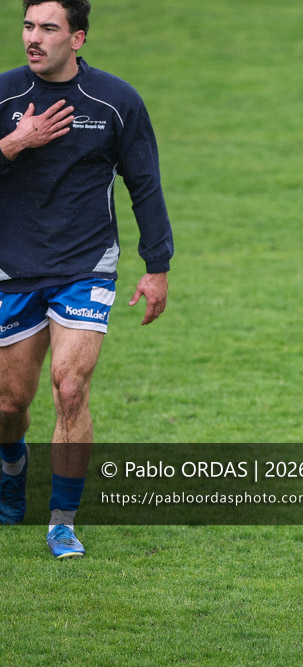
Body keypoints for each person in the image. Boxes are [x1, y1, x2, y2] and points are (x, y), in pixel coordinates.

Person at [0, 0, 173, 558]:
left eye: (49, 28)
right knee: (8, 405)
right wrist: (16, 142)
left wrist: (157, 267)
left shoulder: (116, 102)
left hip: (85, 265)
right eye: (28, 26)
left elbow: (144, 182)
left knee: (70, 389)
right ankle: (11, 470)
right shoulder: (2, 96)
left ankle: (62, 521)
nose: (34, 38)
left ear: (77, 39)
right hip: (12, 268)